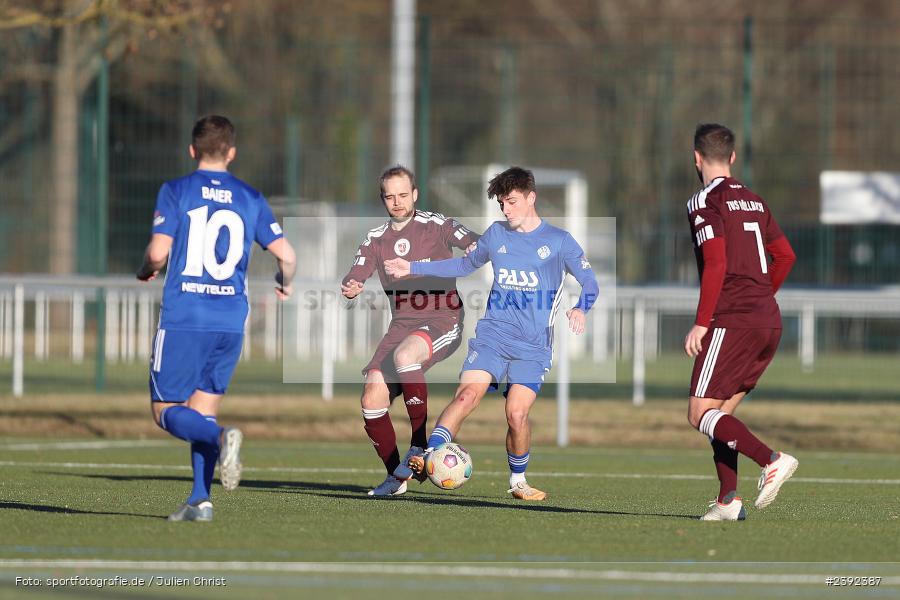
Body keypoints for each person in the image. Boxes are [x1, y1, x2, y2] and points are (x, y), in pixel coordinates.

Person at [385, 166, 599, 501]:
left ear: (531, 197)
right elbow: (463, 265)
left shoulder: (559, 242)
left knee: (516, 414)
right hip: (492, 337)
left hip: (532, 346)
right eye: (502, 204)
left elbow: (590, 283)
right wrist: (412, 267)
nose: (506, 210)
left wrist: (581, 308)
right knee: (466, 396)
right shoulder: (496, 235)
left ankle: (518, 481)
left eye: (512, 202)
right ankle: (429, 455)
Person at [137, 115, 296, 522]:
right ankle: (199, 500)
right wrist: (284, 282)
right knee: (202, 409)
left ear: (192, 150)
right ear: (231, 152)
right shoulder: (250, 196)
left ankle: (223, 437)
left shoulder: (176, 190)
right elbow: (287, 256)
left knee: (165, 409)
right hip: (229, 320)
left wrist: (146, 269)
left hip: (186, 316)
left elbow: (157, 253)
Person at [341, 165, 479, 497]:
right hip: (401, 325)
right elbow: (357, 270)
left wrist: (474, 246)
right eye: (390, 196)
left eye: (403, 194)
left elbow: (473, 241)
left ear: (415, 194)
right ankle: (396, 476)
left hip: (443, 318)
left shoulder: (437, 225)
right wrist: (352, 283)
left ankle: (419, 445)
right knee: (372, 397)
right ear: (383, 199)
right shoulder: (376, 239)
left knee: (405, 356)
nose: (397, 201)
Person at [684, 123, 798, 521]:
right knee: (720, 417)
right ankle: (728, 501)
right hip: (767, 320)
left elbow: (716, 262)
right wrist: (761, 298)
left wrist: (702, 322)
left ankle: (771, 459)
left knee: (699, 413)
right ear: (732, 157)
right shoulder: (755, 201)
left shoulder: (704, 201)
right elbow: (786, 256)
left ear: (696, 158)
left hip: (731, 320)